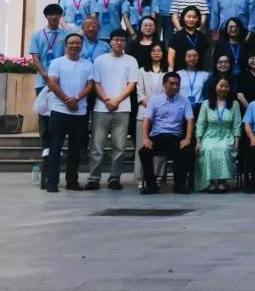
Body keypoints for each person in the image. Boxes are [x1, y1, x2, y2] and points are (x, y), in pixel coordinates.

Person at [86, 30, 138, 191]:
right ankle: (93, 178)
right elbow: (96, 83)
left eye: (122, 40)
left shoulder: (131, 61)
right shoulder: (100, 60)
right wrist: (106, 99)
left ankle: (115, 177)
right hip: (101, 108)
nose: (119, 43)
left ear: (125, 43)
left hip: (123, 108)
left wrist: (116, 100)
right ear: (110, 41)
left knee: (119, 147)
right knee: (97, 146)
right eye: (116, 40)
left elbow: (131, 84)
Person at [44, 33, 94, 192]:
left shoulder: (88, 64)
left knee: (75, 149)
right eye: (71, 43)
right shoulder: (56, 62)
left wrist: (77, 99)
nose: (74, 45)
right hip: (59, 110)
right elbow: (53, 83)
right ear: (66, 45)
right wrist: (67, 100)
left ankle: (72, 181)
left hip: (80, 112)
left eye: (78, 43)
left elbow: (90, 85)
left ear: (82, 46)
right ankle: (52, 182)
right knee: (55, 147)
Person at [138, 71, 195, 195]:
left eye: (177, 84)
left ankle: (179, 184)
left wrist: (187, 138)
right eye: (172, 83)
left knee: (186, 151)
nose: (175, 86)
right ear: (164, 84)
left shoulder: (184, 101)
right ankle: (151, 185)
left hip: (175, 137)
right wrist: (145, 138)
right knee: (144, 152)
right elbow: (147, 119)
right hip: (157, 136)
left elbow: (190, 120)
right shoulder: (154, 100)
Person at [194, 76, 242, 193]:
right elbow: (200, 123)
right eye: (221, 86)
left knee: (224, 149)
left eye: (226, 86)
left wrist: (237, 142)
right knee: (208, 149)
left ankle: (222, 182)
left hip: (227, 135)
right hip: (210, 135)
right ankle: (210, 182)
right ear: (215, 87)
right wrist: (198, 142)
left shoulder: (234, 104)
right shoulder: (206, 104)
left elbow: (237, 124)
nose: (223, 88)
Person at [135, 43, 168, 189]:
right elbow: (140, 92)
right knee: (142, 146)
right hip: (144, 113)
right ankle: (140, 178)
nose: (156, 53)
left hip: (163, 115)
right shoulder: (142, 71)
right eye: (153, 50)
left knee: (160, 148)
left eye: (159, 50)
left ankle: (157, 177)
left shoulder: (168, 71)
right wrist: (151, 106)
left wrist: (157, 108)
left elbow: (169, 93)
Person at [29, 4, 69, 95]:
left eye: (56, 14)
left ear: (60, 16)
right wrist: (44, 74)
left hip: (62, 80)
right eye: (50, 14)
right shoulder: (37, 35)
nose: (53, 17)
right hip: (42, 81)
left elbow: (68, 56)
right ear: (46, 16)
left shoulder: (66, 35)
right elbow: (35, 58)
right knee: (42, 104)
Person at [167, 6, 209, 70]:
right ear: (183, 18)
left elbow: (206, 58)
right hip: (179, 72)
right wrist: (171, 71)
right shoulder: (176, 36)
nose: (191, 20)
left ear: (198, 19)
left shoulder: (202, 37)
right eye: (189, 17)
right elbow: (171, 55)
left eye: (194, 17)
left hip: (199, 72)